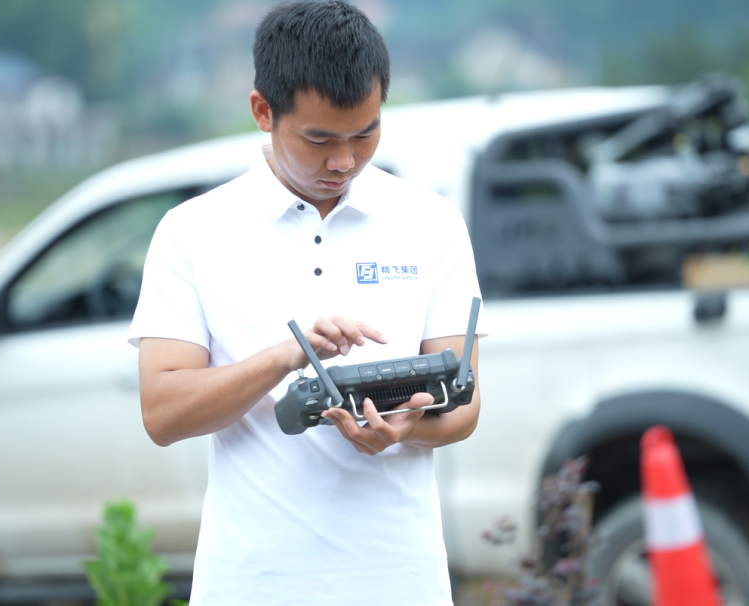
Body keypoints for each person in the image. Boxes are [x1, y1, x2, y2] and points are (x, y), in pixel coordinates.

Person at [128, 1, 484, 604]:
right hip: (252, 584)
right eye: (319, 138)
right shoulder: (192, 231)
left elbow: (466, 408)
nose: (343, 162)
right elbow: (163, 414)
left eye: (365, 133)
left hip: (400, 582)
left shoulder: (433, 223)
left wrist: (405, 430)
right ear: (262, 111)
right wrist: (285, 357)